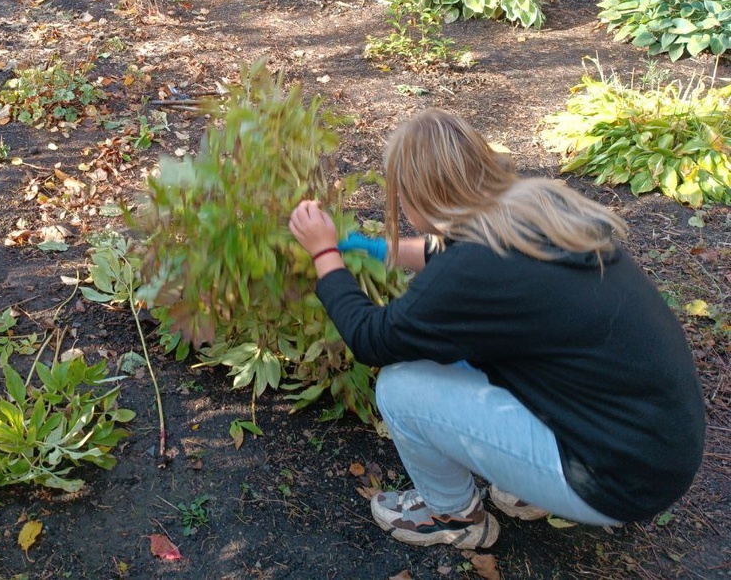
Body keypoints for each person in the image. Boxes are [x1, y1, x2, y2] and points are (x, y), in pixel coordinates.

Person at [289, 108, 705, 549]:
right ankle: (532, 486)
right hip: (657, 444)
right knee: (477, 355)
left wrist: (324, 256)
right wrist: (381, 249)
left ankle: (451, 516)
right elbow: (450, 254)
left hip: (617, 478)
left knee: (401, 387)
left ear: (417, 196)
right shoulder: (534, 207)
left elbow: (372, 339)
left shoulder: (473, 272)